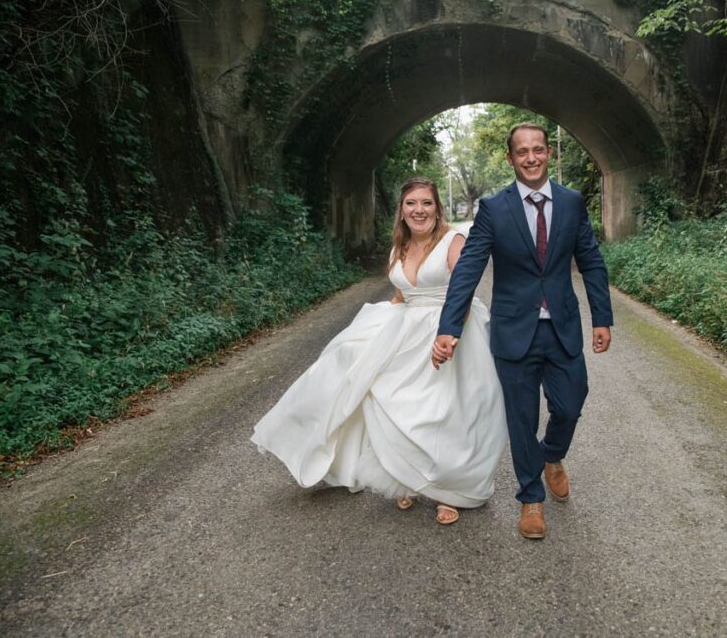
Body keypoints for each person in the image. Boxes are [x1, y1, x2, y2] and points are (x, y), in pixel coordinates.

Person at [252, 177, 507, 525]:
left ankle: (452, 491)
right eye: (411, 204)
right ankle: (410, 478)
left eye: (426, 203)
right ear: (401, 211)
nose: (419, 210)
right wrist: (371, 331)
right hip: (409, 330)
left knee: (449, 410)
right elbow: (402, 296)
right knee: (399, 402)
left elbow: (462, 288)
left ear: (437, 208)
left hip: (450, 326)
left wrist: (450, 333)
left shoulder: (453, 240)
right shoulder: (398, 249)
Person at [433, 123, 613, 540]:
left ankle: (552, 456)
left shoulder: (571, 203)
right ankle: (531, 498)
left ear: (548, 153)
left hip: (562, 326)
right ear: (510, 158)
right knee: (521, 418)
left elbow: (591, 261)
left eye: (537, 150)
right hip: (514, 330)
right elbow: (469, 269)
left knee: (570, 404)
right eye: (521, 152)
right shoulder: (495, 209)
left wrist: (601, 317)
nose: (530, 158)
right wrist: (449, 326)